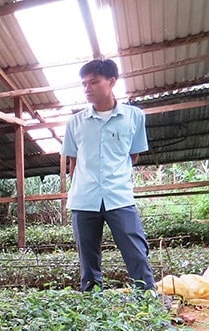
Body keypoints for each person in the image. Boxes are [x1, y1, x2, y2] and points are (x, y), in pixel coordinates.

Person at [62, 58, 155, 292]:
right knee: (88, 259)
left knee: (135, 250)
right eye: (84, 83)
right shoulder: (75, 123)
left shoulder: (134, 117)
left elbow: (133, 155)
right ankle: (92, 304)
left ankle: (147, 299)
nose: (87, 88)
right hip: (85, 199)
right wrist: (78, 188)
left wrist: (115, 175)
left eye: (94, 82)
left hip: (119, 196)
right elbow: (73, 162)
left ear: (112, 81)